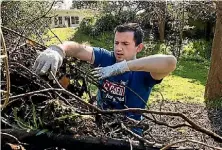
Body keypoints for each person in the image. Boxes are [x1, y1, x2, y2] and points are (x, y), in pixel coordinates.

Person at [33, 23, 177, 135]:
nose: (118, 48)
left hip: (129, 134)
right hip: (99, 127)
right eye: (116, 43)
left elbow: (171, 62)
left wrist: (122, 67)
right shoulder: (106, 58)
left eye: (125, 44)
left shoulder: (145, 72)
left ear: (138, 48)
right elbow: (78, 49)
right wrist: (58, 49)